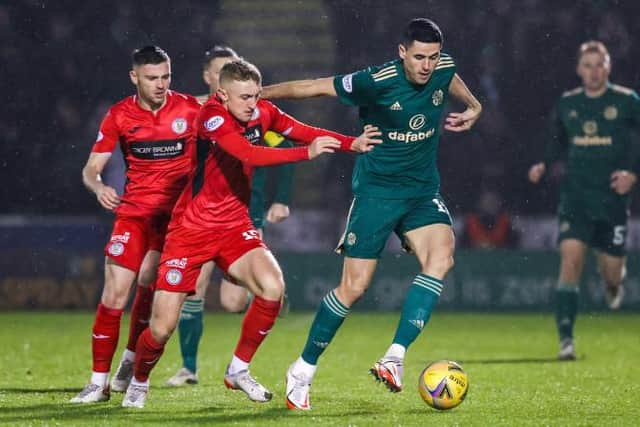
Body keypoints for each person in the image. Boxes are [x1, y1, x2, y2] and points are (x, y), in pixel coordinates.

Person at [121, 59, 382, 408]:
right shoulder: (212, 117)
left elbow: (300, 129)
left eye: (255, 96)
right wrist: (306, 154)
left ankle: (238, 369)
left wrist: (352, 143)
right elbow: (249, 153)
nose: (251, 104)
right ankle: (138, 381)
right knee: (162, 326)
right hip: (191, 230)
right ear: (222, 94)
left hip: (234, 226)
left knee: (272, 288)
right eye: (243, 97)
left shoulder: (262, 112)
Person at [262, 17, 482, 410]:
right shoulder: (375, 80)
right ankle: (303, 368)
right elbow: (313, 87)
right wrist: (257, 94)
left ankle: (394, 356)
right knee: (354, 288)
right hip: (376, 194)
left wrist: (474, 105)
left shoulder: (442, 67)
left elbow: (450, 77)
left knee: (441, 258)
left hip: (420, 191)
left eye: (432, 57)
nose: (427, 65)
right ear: (402, 52)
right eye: (418, 57)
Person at [71, 46, 201, 403]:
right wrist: (98, 187)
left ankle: (129, 361)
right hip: (134, 214)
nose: (160, 85)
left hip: (173, 220)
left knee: (148, 282)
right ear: (134, 77)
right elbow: (90, 168)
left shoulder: (190, 109)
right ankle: (98, 383)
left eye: (165, 77)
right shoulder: (119, 115)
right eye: (151, 78)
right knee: (113, 293)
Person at [166, 45, 296, 387]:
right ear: (211, 78)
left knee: (231, 301)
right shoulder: (197, 113)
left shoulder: (254, 114)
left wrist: (281, 198)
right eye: (222, 70)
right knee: (193, 290)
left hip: (245, 214)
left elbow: (281, 147)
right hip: (204, 216)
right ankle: (188, 368)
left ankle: (266, 296)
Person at [528, 41, 640, 360]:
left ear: (609, 67)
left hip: (612, 201)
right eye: (587, 65)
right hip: (575, 197)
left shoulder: (627, 101)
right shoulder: (567, 104)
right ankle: (566, 340)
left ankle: (614, 284)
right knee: (571, 260)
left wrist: (633, 173)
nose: (593, 71)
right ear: (578, 69)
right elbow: (557, 141)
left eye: (599, 64)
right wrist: (544, 164)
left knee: (612, 274)